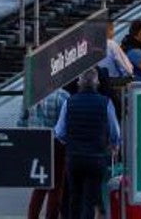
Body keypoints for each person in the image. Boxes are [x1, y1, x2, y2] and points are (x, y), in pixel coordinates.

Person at [55, 69, 121, 219]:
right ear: (97, 83)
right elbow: (115, 132)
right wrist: (114, 145)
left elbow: (59, 132)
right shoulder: (106, 103)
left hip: (74, 157)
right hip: (96, 157)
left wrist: (71, 142)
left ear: (79, 83)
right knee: (89, 199)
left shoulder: (69, 102)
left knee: (74, 197)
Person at [20, 86, 70, 219]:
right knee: (56, 186)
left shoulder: (30, 96)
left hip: (36, 142)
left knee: (39, 185)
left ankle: (32, 216)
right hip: (56, 144)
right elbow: (65, 125)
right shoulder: (62, 96)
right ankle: (51, 216)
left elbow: (21, 122)